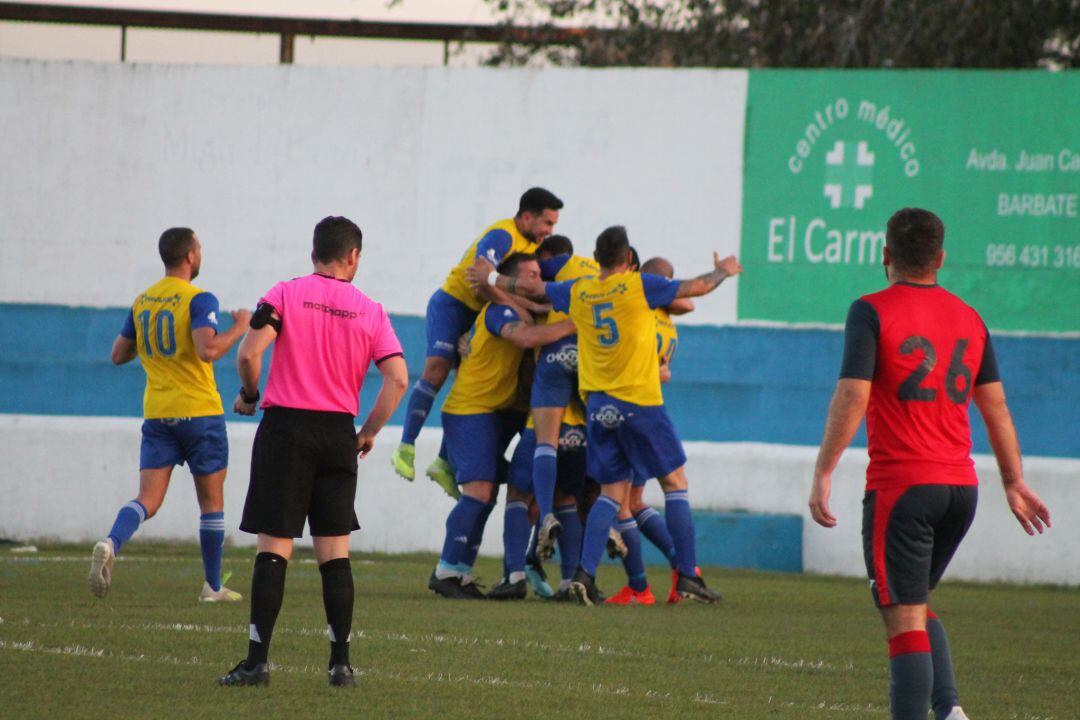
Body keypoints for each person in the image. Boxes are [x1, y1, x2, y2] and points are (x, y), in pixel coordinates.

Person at [807, 208, 1051, 720]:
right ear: (940, 258)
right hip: (961, 490)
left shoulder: (870, 310)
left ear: (885, 256)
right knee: (914, 607)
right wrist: (1013, 481)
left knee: (902, 622)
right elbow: (996, 407)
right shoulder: (969, 317)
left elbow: (853, 394)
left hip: (904, 489)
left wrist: (824, 471)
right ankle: (950, 710)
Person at [471, 226, 742, 605]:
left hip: (599, 408)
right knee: (674, 483)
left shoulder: (580, 289)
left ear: (596, 260)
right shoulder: (637, 286)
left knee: (612, 494)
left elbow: (532, 289)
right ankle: (687, 575)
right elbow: (696, 288)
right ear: (629, 261)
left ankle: (583, 574)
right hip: (640, 401)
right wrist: (724, 271)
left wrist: (492, 277)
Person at [218, 216, 408, 688]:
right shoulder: (370, 309)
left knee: (275, 548)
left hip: (287, 430)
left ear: (314, 253)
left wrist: (248, 393)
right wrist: (366, 432)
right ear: (353, 257)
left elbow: (247, 354)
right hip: (338, 434)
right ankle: (340, 664)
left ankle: (258, 662)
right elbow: (398, 378)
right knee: (334, 553)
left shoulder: (285, 293)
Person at [90, 227, 250, 602]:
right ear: (191, 256)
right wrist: (241, 326)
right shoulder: (197, 298)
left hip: (159, 414)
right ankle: (212, 586)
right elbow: (208, 349)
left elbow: (118, 354)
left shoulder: (143, 301)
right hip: (199, 413)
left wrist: (151, 347)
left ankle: (112, 542)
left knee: (148, 499)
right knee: (211, 503)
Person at [392, 188, 563, 496]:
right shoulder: (503, 234)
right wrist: (526, 307)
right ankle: (405, 445)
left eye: (553, 225)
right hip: (453, 305)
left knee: (469, 381)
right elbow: (478, 280)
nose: (549, 231)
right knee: (437, 369)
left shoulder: (529, 244)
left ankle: (444, 462)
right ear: (527, 216)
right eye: (547, 223)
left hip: (477, 313)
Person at [428, 253, 576, 600]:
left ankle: (460, 572)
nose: (535, 282)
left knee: (487, 495)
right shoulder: (500, 312)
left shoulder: (518, 309)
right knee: (478, 493)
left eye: (540, 275)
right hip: (471, 411)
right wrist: (575, 324)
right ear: (508, 280)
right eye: (530, 275)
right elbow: (525, 338)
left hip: (488, 412)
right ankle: (447, 570)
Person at [607, 256, 691, 606]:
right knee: (635, 500)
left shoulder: (646, 314)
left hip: (631, 410)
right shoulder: (668, 319)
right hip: (650, 409)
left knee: (620, 502)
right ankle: (682, 568)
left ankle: (640, 585)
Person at [528, 235, 599, 560]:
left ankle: (545, 514)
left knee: (546, 441)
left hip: (558, 354)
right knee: (599, 437)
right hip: (591, 355)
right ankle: (610, 512)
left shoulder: (557, 264)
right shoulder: (599, 272)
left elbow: (530, 285)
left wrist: (491, 279)